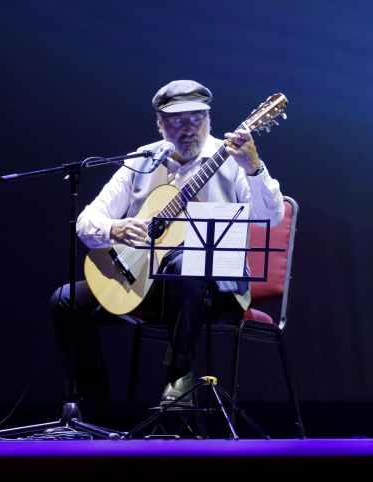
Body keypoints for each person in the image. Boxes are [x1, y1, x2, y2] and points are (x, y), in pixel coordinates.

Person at [51, 80, 284, 423]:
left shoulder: (234, 160)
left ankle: (179, 380)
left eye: (196, 119)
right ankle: (94, 407)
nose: (187, 129)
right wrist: (113, 229)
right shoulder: (142, 161)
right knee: (65, 300)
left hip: (217, 287)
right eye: (176, 120)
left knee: (181, 264)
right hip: (150, 283)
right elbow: (87, 221)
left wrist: (254, 169)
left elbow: (269, 218)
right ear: (159, 123)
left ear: (209, 118)